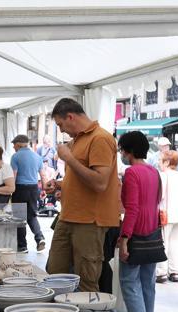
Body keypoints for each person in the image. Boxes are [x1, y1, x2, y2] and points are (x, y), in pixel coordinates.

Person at [47, 98, 121, 292]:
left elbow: (100, 182)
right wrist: (60, 184)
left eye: (61, 124)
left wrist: (69, 159)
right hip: (68, 216)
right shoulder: (79, 139)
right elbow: (81, 178)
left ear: (70, 117)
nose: (62, 130)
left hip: (89, 220)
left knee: (87, 279)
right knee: (54, 273)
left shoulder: (100, 138)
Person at [116, 131, 165, 312]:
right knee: (148, 283)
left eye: (122, 150)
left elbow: (132, 208)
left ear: (129, 151)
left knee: (129, 282)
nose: (121, 154)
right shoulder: (154, 172)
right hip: (153, 233)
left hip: (135, 232)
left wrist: (124, 239)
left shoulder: (132, 173)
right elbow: (156, 200)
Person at [10, 135, 47, 252]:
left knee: (19, 217)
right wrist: (44, 189)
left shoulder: (15, 157)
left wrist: (10, 190)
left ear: (18, 144)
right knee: (32, 215)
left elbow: (14, 176)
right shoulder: (37, 156)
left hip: (20, 189)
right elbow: (43, 175)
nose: (13, 148)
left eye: (14, 145)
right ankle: (39, 237)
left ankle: (22, 246)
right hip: (33, 188)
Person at [156, 150, 178, 283]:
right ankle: (175, 271)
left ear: (166, 162)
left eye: (160, 160)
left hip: (166, 214)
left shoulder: (163, 175)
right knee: (175, 243)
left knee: (163, 243)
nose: (159, 163)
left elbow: (161, 196)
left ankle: (161, 273)